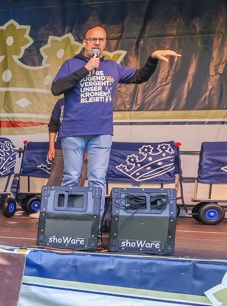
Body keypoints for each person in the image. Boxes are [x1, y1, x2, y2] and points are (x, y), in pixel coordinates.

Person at [51, 26, 180, 223]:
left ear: (104, 44)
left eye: (101, 40)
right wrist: (86, 69)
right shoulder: (71, 64)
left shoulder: (112, 67)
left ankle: (93, 221)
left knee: (97, 179)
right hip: (73, 130)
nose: (97, 43)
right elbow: (56, 88)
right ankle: (70, 221)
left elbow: (139, 76)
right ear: (85, 42)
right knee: (71, 177)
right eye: (93, 39)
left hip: (101, 132)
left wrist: (152, 58)